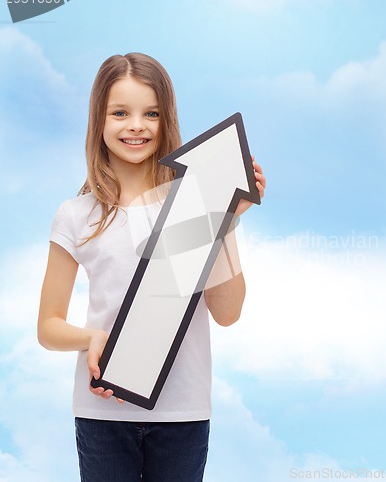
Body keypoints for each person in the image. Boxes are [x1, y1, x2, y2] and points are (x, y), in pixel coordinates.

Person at [37, 52, 266, 482]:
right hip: (102, 412)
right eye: (120, 112)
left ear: (166, 121)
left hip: (183, 411)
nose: (136, 125)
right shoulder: (75, 214)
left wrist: (225, 217)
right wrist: (93, 339)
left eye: (151, 113)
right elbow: (48, 327)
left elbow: (227, 312)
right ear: (99, 121)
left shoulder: (194, 204)